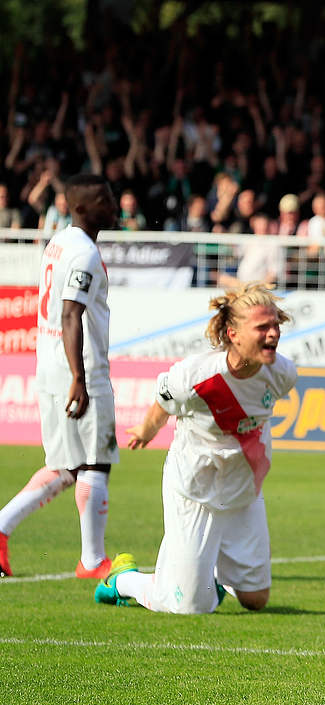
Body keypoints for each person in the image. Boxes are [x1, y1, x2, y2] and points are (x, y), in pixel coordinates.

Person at [96, 283, 297, 614]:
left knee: (256, 600)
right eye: (262, 327)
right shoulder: (195, 376)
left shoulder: (283, 374)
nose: (273, 334)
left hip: (244, 490)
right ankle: (123, 580)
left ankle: (205, 572)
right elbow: (164, 402)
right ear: (233, 333)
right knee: (189, 606)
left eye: (275, 325)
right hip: (194, 489)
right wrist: (147, 430)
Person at [0, 175, 119, 578]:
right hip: (79, 368)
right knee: (94, 464)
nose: (114, 203)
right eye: (104, 198)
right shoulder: (84, 252)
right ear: (81, 207)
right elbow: (71, 313)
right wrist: (80, 378)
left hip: (48, 363)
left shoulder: (59, 241)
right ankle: (92, 560)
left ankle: (1, 527)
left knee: (67, 466)